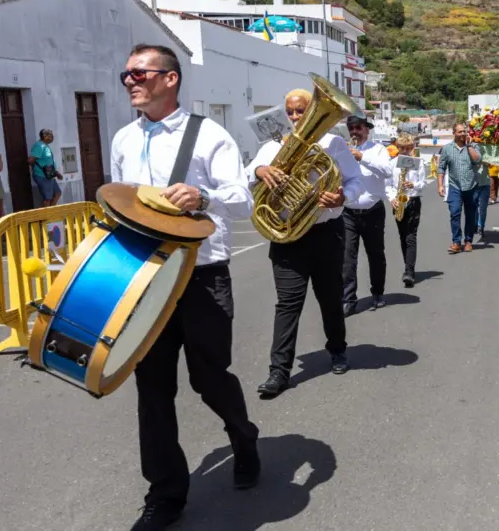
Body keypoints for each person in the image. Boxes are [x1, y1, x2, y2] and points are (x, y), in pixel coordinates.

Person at [111, 44, 260, 530]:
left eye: (140, 73)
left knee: (210, 377)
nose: (130, 81)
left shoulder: (208, 134)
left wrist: (205, 196)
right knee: (152, 389)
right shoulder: (122, 141)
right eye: (126, 75)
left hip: (201, 277)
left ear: (170, 79)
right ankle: (166, 493)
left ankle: (243, 436)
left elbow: (240, 202)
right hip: (145, 278)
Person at [251, 88, 362, 397]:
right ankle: (279, 371)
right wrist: (261, 170)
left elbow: (355, 181)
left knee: (330, 297)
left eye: (302, 110)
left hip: (326, 233)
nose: (297, 117)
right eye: (292, 112)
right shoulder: (274, 146)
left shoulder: (334, 143)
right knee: (287, 303)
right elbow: (248, 173)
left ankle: (337, 349)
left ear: (313, 108)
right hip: (287, 237)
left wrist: (341, 196)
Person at [342, 115, 393, 316]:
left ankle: (378, 293)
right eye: (351, 128)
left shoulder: (378, 149)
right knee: (347, 258)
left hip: (372, 210)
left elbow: (388, 171)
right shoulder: (342, 149)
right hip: (348, 211)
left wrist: (361, 157)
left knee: (376, 255)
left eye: (358, 128)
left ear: (367, 130)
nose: (354, 132)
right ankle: (348, 299)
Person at [386, 133, 427, 288]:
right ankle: (408, 266)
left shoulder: (418, 162)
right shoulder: (392, 163)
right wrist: (392, 198)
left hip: (413, 200)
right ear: (398, 148)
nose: (405, 151)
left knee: (411, 236)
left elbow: (423, 182)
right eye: (402, 148)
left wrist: (413, 185)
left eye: (408, 148)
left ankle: (409, 271)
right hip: (398, 201)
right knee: (403, 236)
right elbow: (388, 184)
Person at [437, 123, 482, 253]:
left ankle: (468, 241)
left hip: (471, 186)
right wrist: (440, 185)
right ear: (454, 133)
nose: (463, 134)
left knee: (470, 215)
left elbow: (477, 160)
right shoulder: (447, 149)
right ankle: (456, 241)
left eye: (464, 132)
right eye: (460, 132)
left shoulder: (473, 146)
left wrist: (469, 146)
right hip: (454, 186)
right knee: (455, 213)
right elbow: (441, 168)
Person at [29, 129, 63, 207]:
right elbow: (30, 160)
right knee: (47, 199)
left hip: (49, 175)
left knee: (57, 193)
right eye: (51, 135)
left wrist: (56, 173)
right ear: (45, 136)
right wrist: (39, 169)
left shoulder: (45, 146)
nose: (53, 137)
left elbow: (48, 161)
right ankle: (45, 218)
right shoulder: (39, 146)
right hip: (43, 176)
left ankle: (50, 214)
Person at [474, 161, 492, 241]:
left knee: (482, 208)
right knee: (473, 207)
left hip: (485, 184)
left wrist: (486, 162)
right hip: (473, 184)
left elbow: (491, 163)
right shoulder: (471, 150)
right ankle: (475, 225)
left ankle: (481, 226)